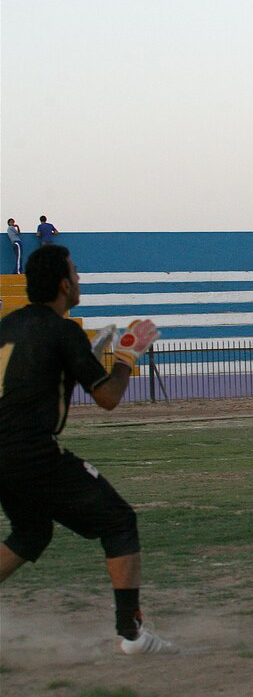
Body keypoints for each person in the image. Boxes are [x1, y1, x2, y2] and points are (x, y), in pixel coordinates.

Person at [0, 245, 177, 654]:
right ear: (64, 285)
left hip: (2, 451)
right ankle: (131, 635)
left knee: (31, 532)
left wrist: (90, 355)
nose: (79, 280)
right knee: (119, 521)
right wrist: (126, 357)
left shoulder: (9, 326)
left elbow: (33, 382)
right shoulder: (62, 331)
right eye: (76, 275)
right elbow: (109, 398)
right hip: (29, 453)